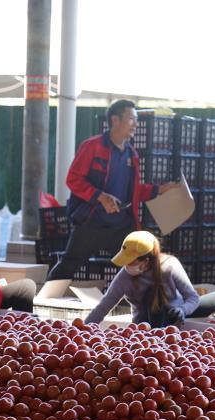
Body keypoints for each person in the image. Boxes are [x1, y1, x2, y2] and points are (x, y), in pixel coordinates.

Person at [45, 99, 179, 283]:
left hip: (120, 226)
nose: (136, 124)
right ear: (115, 120)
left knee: (142, 264)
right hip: (90, 223)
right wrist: (101, 197)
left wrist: (160, 189)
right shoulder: (92, 146)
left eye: (137, 119)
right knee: (68, 266)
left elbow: (133, 192)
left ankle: (144, 307)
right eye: (132, 119)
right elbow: (73, 179)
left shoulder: (132, 154)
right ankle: (41, 302)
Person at [85, 231, 215, 327]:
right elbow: (103, 307)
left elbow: (192, 297)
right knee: (151, 296)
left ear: (147, 260)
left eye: (133, 261)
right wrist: (81, 331)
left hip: (174, 313)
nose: (128, 266)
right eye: (126, 262)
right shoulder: (125, 277)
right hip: (145, 325)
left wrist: (182, 309)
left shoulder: (169, 267)